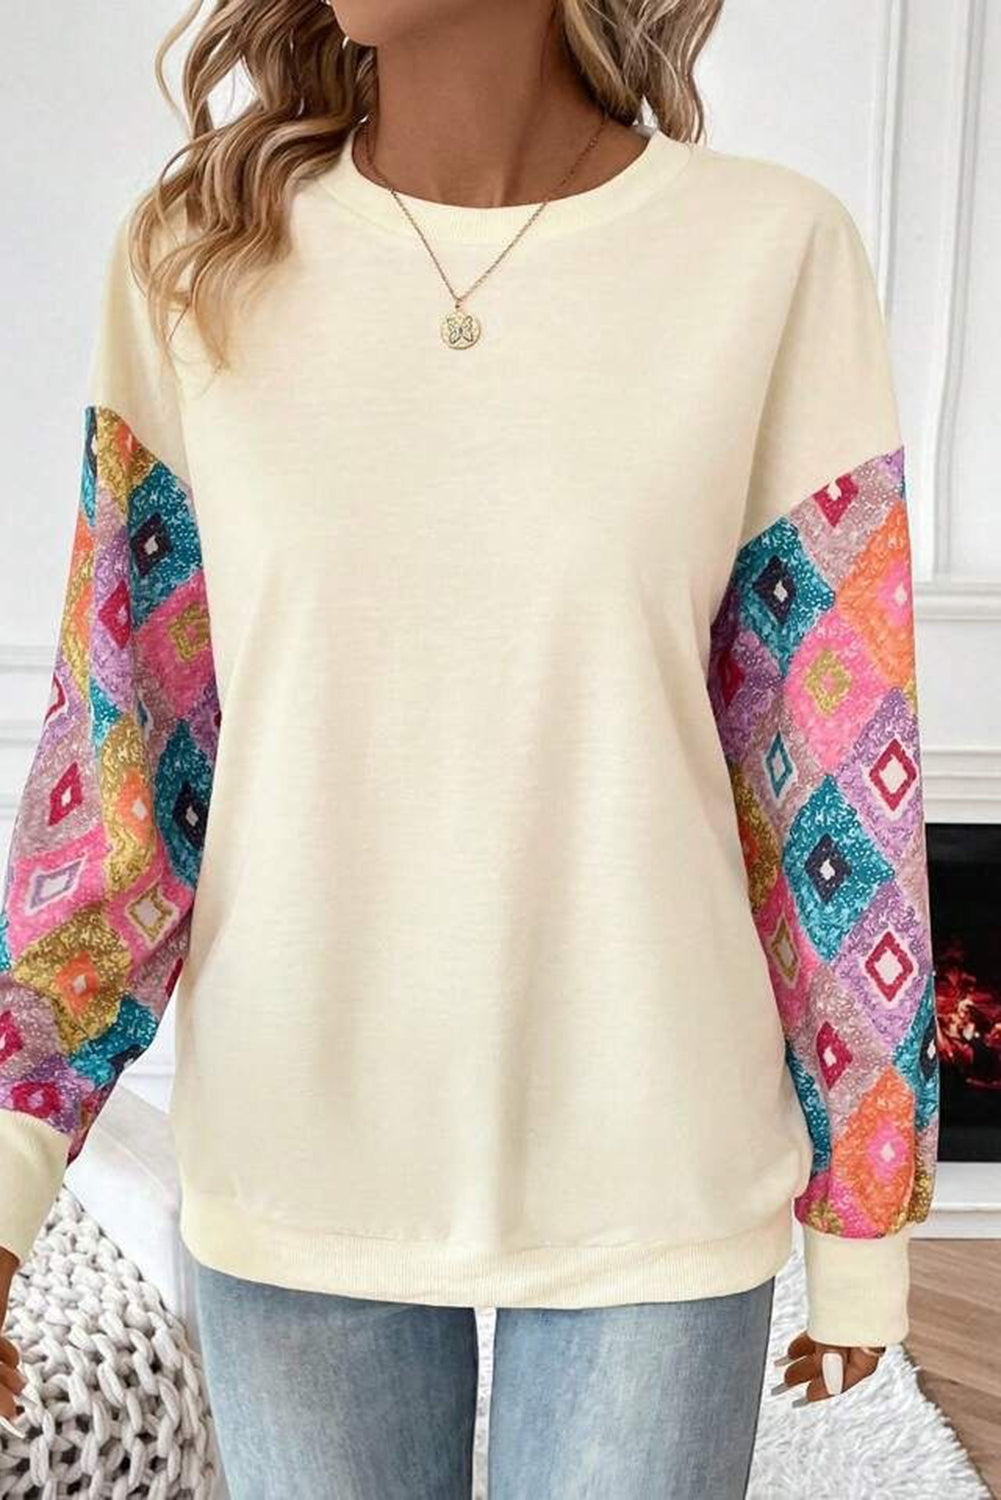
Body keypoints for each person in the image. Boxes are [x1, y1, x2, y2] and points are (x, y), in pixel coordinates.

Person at [0, 1, 940, 1494]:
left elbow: (827, 769)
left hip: (653, 1147)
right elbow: (127, 758)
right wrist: (13, 1160)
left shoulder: (769, 254)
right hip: (298, 1143)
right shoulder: (197, 257)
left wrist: (864, 1208)